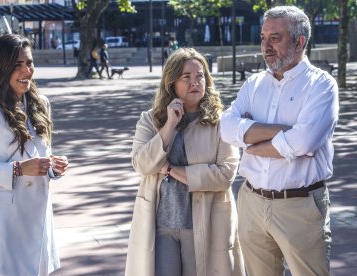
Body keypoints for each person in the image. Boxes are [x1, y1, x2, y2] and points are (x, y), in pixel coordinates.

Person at [220, 6, 338, 276]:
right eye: (263, 37)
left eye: (275, 37)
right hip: (251, 202)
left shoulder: (321, 85)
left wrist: (249, 140)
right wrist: (284, 132)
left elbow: (304, 142)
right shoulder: (253, 84)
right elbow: (226, 129)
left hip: (300, 206)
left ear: (299, 41)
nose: (266, 46)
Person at [0, 34, 69, 276]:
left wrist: (52, 167)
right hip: (1, 224)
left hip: (35, 220)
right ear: (2, 67)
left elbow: (39, 156)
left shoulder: (40, 103)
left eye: (29, 62)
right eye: (17, 65)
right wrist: (18, 169)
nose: (26, 70)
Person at [125, 48, 245, 276]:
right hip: (161, 225)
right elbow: (141, 165)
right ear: (172, 83)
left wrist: (169, 168)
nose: (195, 82)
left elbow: (226, 174)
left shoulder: (220, 122)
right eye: (186, 77)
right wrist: (169, 126)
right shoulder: (151, 120)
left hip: (204, 222)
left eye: (200, 76)